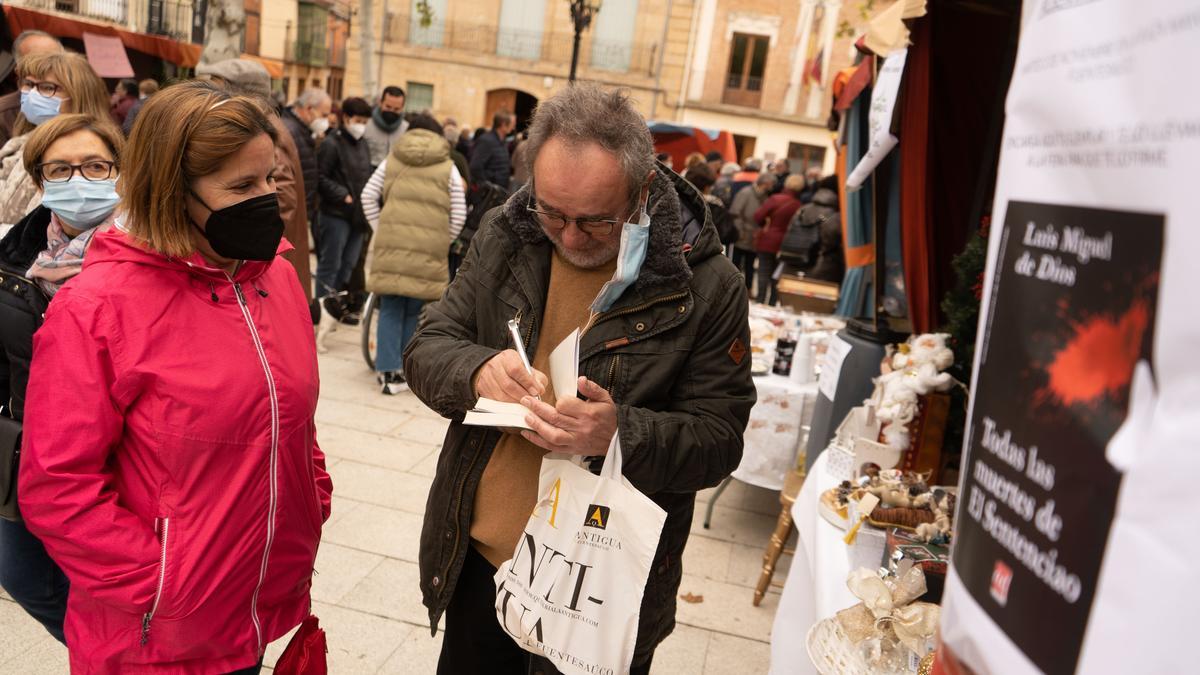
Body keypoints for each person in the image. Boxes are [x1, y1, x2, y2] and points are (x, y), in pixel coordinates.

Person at [404, 83, 754, 675]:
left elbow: (719, 439)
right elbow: (428, 346)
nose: (568, 236)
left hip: (597, 590)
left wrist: (617, 434)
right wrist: (477, 370)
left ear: (643, 191)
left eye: (594, 222)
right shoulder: (507, 234)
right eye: (552, 212)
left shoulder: (707, 285)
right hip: (482, 563)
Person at [18, 80, 332, 674]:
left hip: (259, 609)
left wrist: (310, 503)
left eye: (270, 179)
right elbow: (58, 486)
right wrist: (164, 587)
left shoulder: (277, 279)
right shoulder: (96, 307)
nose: (268, 198)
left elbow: (292, 421)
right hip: (155, 641)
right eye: (241, 186)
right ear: (171, 190)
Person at [0, 113, 124, 644]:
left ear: (120, 172)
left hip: (115, 456)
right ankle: (100, 650)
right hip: (28, 449)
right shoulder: (16, 252)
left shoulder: (149, 251)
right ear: (38, 181)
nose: (79, 181)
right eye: (61, 169)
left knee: (115, 584)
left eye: (95, 166)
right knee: (23, 575)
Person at [359, 113, 465, 393]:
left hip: (391, 246)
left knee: (391, 307)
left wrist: (382, 229)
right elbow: (459, 211)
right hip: (429, 249)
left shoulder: (391, 159)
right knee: (414, 309)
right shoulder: (449, 167)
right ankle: (403, 368)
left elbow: (367, 196)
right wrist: (443, 241)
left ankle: (386, 371)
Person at [197, 58, 315, 308]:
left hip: (267, 267)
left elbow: (283, 199)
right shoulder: (267, 126)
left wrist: (246, 233)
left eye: (215, 88)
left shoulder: (261, 134)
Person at [0, 52, 110, 227]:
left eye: (48, 87)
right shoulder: (17, 144)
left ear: (78, 94)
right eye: (29, 84)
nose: (34, 94)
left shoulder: (91, 156)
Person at [315, 96, 373, 308]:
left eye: (365, 123)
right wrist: (341, 194)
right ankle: (322, 308)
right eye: (359, 121)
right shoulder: (332, 143)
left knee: (348, 264)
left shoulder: (363, 144)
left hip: (358, 214)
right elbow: (320, 177)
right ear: (346, 117)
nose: (362, 127)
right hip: (335, 213)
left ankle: (336, 305)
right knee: (331, 263)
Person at [0, 30, 64, 148]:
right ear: (19, 71)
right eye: (37, 62)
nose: (49, 67)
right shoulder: (4, 115)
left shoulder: (77, 103)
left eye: (56, 60)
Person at [281, 87, 332, 224]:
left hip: (301, 213)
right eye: (324, 115)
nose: (326, 121)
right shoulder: (291, 131)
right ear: (309, 109)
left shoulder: (303, 131)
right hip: (292, 216)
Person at [753, 173, 805, 305]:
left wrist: (765, 223)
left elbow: (758, 216)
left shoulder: (775, 199)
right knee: (777, 275)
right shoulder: (799, 205)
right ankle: (772, 302)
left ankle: (760, 300)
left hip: (767, 240)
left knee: (763, 271)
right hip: (786, 244)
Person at [786, 176, 844, 283]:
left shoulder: (804, 208)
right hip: (819, 265)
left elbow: (791, 228)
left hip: (794, 258)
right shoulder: (836, 214)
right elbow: (831, 238)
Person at [729, 172, 774, 294]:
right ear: (765, 183)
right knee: (735, 264)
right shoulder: (746, 193)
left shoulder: (765, 197)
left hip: (755, 236)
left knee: (750, 264)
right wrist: (740, 231)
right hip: (742, 234)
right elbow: (735, 213)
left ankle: (747, 289)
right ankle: (732, 290)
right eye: (771, 184)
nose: (773, 186)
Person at [684, 162, 737, 248]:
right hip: (706, 251)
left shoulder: (680, 200)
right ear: (707, 186)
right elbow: (727, 235)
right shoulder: (715, 204)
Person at [469, 109, 515, 190]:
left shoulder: (503, 141)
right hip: (489, 194)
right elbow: (475, 167)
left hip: (500, 191)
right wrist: (488, 186)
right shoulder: (486, 141)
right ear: (503, 124)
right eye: (512, 124)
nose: (513, 127)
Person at [363, 85, 408, 167]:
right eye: (388, 107)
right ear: (380, 103)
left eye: (396, 109)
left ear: (402, 108)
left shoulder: (407, 130)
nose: (391, 111)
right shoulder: (366, 125)